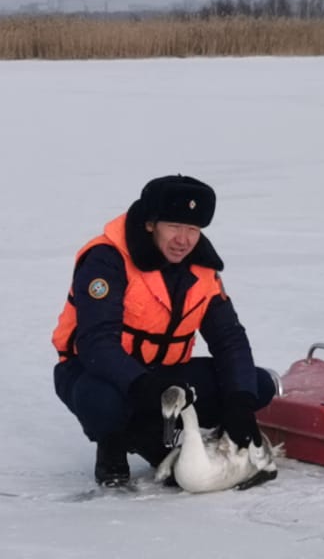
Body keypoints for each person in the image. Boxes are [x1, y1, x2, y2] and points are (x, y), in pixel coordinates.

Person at [51, 174, 276, 487]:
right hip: (99, 373)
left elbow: (229, 340)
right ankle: (117, 442)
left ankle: (171, 436)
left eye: (193, 229)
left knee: (257, 384)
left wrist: (239, 402)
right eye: (174, 226)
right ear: (149, 224)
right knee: (101, 402)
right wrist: (144, 386)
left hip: (166, 374)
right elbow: (96, 343)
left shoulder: (202, 269)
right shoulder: (106, 260)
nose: (183, 240)